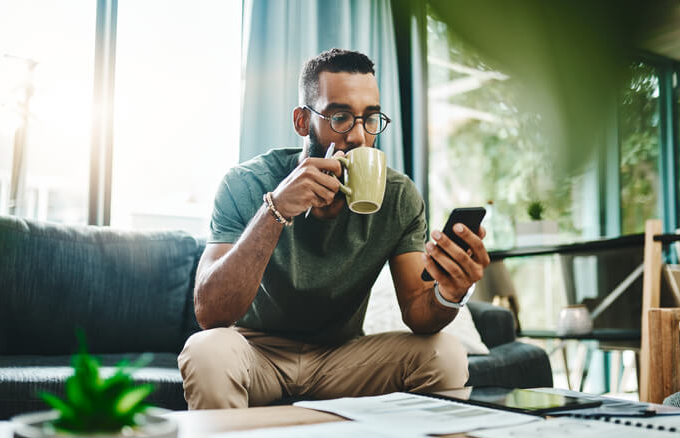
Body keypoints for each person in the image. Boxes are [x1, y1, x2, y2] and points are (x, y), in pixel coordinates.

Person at [178, 48, 490, 409]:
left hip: (343, 359)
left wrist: (450, 292)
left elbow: (419, 315)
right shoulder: (245, 184)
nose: (358, 136)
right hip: (256, 353)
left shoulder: (399, 197)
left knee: (444, 353)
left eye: (370, 118)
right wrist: (275, 211)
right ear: (301, 122)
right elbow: (210, 313)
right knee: (207, 351)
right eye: (340, 117)